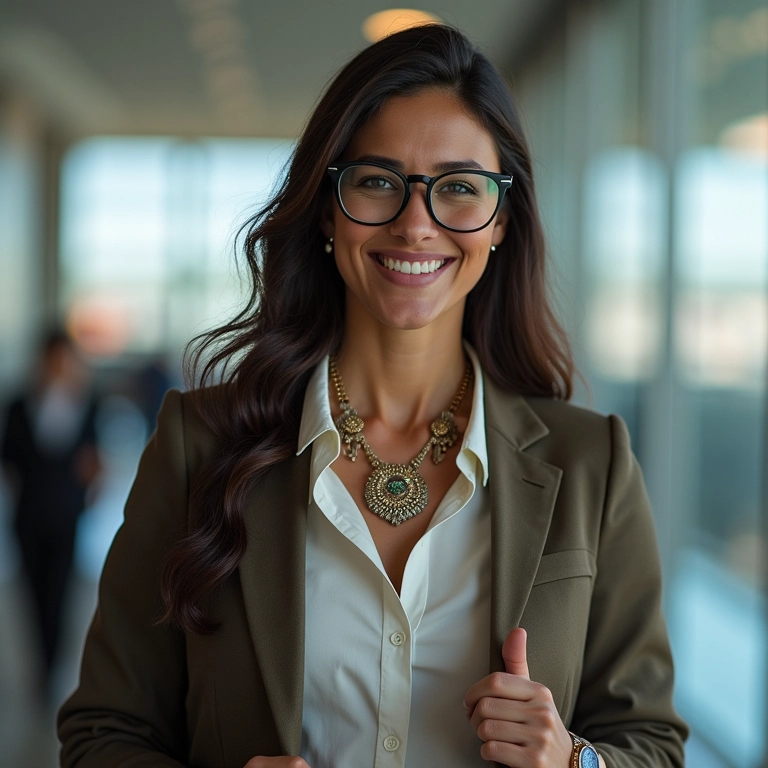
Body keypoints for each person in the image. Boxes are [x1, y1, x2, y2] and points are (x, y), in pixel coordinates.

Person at [57, 24, 687, 768]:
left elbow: (649, 743)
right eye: (379, 181)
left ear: (502, 222)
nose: (416, 224)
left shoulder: (593, 463)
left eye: (458, 188)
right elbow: (103, 733)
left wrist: (575, 760)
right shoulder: (200, 447)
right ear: (327, 208)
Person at [1, 329, 101, 698]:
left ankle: (52, 668)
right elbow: (8, 458)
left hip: (67, 516)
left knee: (60, 591)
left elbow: (93, 455)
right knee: (32, 592)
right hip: (27, 517)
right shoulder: (18, 404)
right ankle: (42, 662)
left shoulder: (86, 402)